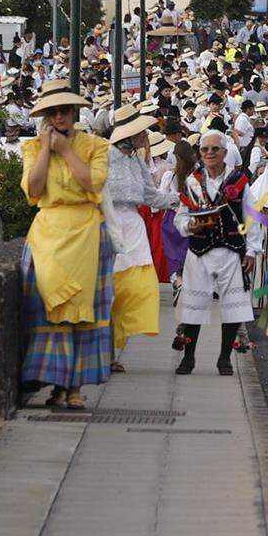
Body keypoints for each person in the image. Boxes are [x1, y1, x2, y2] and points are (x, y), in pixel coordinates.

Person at [20, 79, 113, 409]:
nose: (60, 116)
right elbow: (33, 189)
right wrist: (46, 149)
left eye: (64, 110)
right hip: (48, 231)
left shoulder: (95, 146)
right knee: (49, 309)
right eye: (53, 112)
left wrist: (64, 150)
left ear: (74, 112)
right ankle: (57, 383)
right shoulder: (32, 147)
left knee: (82, 312)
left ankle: (74, 386)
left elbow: (92, 182)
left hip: (85, 230)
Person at [176, 130, 250, 376]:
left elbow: (252, 217)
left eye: (214, 149)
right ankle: (188, 358)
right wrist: (190, 226)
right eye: (205, 149)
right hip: (199, 249)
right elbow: (181, 216)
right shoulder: (192, 181)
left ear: (225, 153)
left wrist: (252, 250)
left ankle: (224, 359)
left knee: (232, 306)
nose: (209, 153)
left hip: (230, 249)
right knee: (193, 305)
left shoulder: (239, 181)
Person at [102, 104, 168, 369]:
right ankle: (107, 352)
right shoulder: (104, 157)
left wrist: (179, 200)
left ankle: (115, 349)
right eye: (141, 132)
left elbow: (151, 194)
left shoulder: (136, 161)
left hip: (134, 226)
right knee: (111, 290)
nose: (145, 136)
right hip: (110, 222)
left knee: (137, 288)